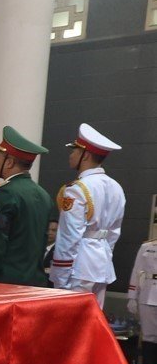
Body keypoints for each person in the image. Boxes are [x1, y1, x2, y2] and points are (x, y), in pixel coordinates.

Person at [50, 123, 126, 305]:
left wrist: (60, 276)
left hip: (78, 267)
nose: (71, 155)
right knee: (93, 317)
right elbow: (113, 233)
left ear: (85, 155)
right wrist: (103, 257)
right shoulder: (116, 187)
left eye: (74, 150)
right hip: (102, 263)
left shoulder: (77, 189)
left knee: (70, 318)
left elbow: (69, 236)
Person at [0, 126, 53, 286]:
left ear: (9, 162)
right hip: (34, 280)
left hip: (5, 281)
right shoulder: (43, 195)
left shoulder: (4, 193)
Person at [128, 236, 157, 364]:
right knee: (148, 336)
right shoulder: (147, 247)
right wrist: (132, 297)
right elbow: (137, 271)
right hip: (147, 293)